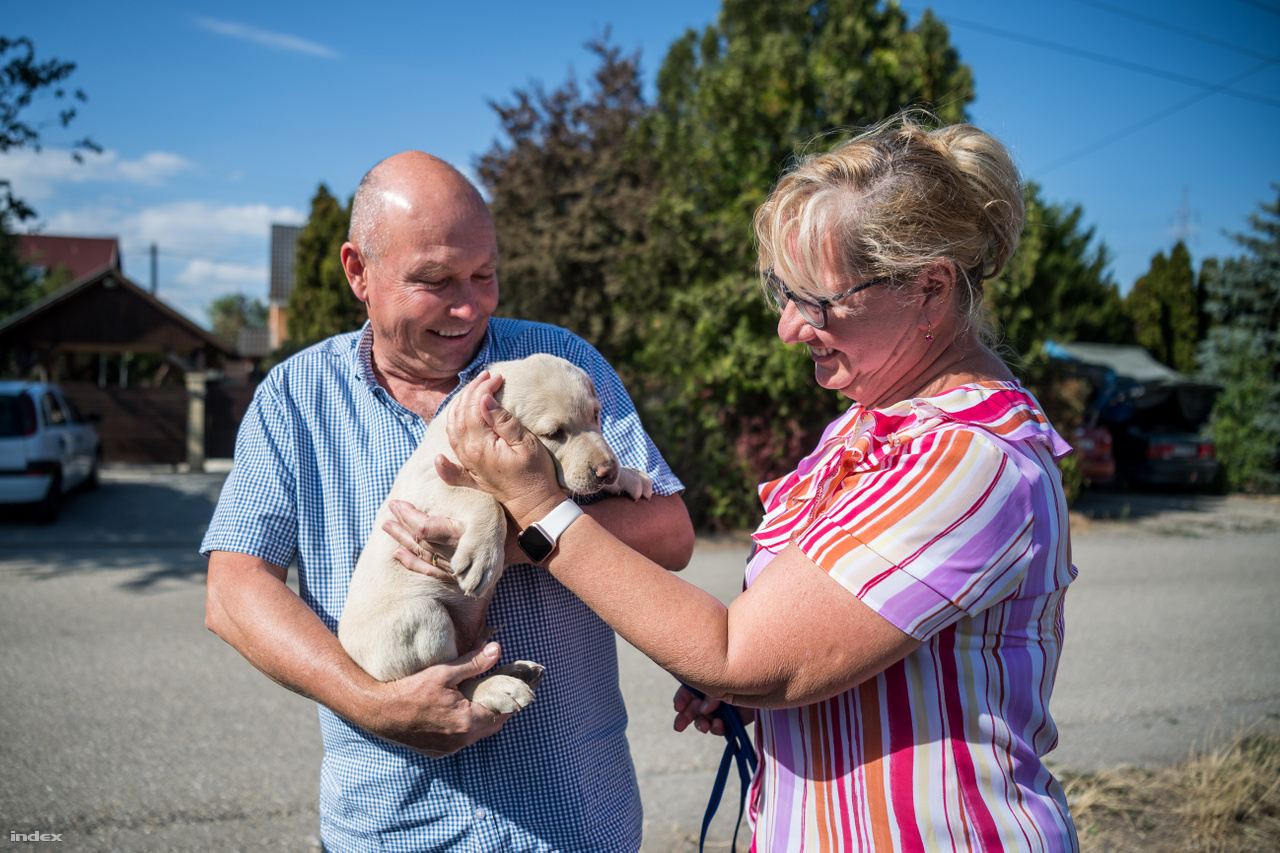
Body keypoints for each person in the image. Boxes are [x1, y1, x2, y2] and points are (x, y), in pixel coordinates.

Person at [393, 115, 1080, 850]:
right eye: (781, 293)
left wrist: (537, 506)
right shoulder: (870, 425)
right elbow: (809, 646)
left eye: (817, 302)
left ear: (930, 291)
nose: (788, 328)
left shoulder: (970, 460)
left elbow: (739, 652)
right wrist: (764, 699)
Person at [201, 151, 695, 851]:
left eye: (484, 274)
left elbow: (669, 531)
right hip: (395, 825)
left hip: (573, 819)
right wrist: (372, 702)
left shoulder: (554, 363)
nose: (468, 305)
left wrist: (507, 541)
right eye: (433, 280)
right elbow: (233, 591)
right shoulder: (294, 399)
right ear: (357, 272)